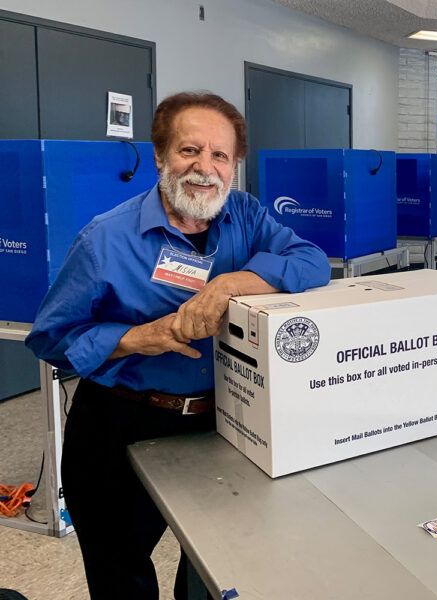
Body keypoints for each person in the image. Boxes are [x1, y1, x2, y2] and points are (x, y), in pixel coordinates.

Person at [25, 92, 331, 599]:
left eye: (220, 155)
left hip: (224, 421)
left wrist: (231, 283)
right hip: (122, 423)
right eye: (190, 150)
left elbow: (312, 261)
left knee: (215, 569)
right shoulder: (105, 239)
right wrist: (136, 338)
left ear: (234, 166)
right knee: (120, 573)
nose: (205, 168)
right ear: (161, 156)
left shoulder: (246, 216)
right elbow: (49, 337)